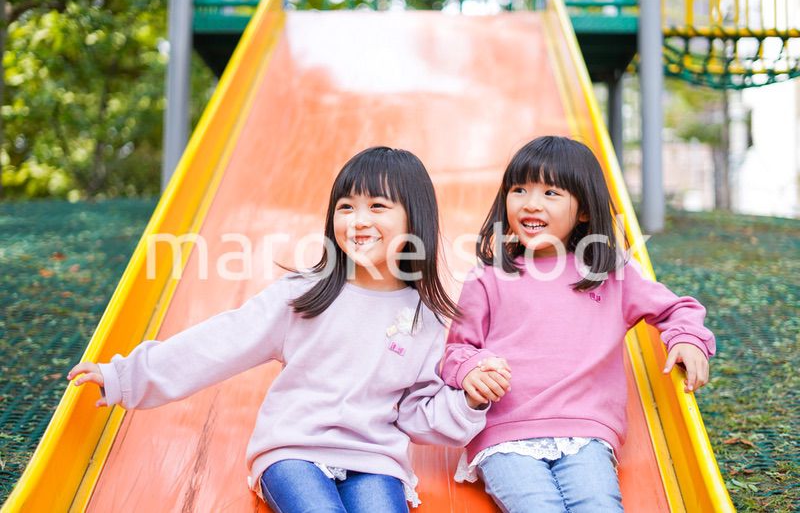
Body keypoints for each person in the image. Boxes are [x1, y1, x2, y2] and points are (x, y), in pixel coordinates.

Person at [68, 147, 504, 513]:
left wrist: (467, 401)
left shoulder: (422, 318)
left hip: (374, 459)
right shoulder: (304, 295)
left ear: (415, 221)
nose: (358, 219)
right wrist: (125, 377)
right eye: (346, 206)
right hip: (294, 449)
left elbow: (416, 413)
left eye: (377, 206)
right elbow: (221, 342)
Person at [441, 135, 715, 512]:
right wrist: (471, 369)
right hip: (506, 436)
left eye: (551, 193)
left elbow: (675, 309)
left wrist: (687, 338)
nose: (531, 203)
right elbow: (456, 351)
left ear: (584, 210)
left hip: (585, 433)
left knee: (598, 504)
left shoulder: (610, 272)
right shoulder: (489, 276)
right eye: (519, 189)